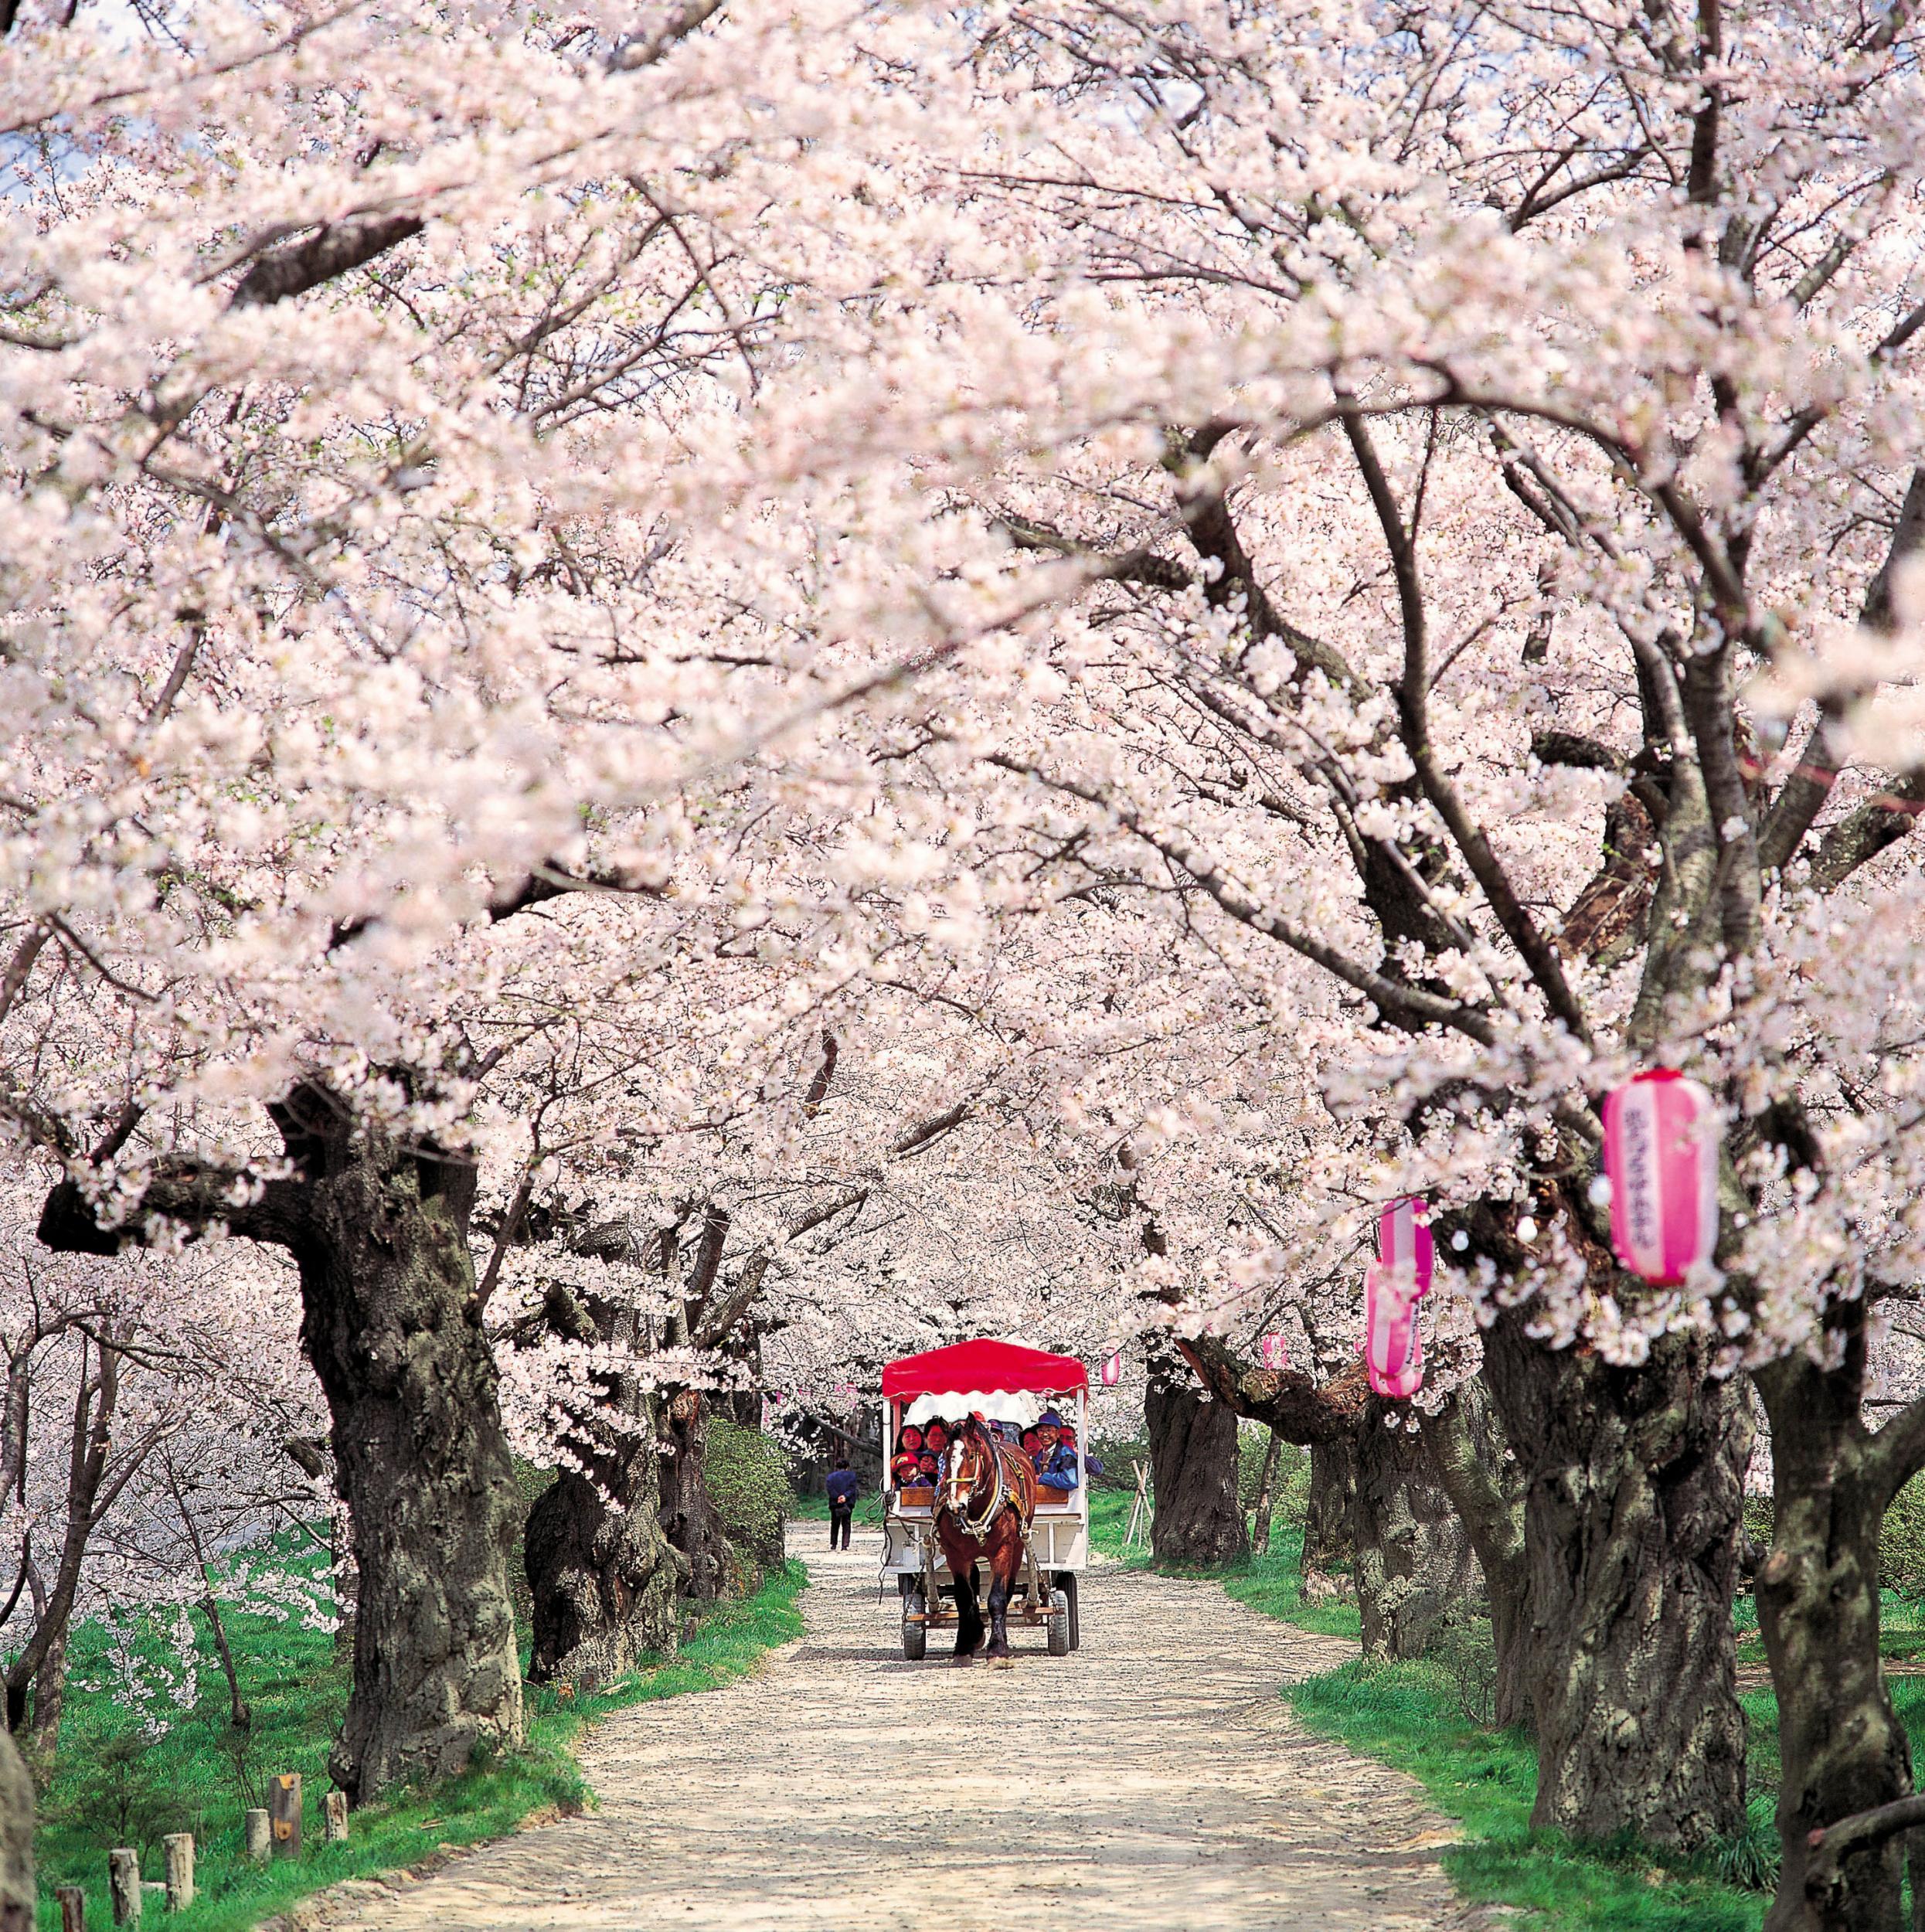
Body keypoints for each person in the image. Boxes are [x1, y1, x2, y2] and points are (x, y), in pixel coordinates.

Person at [825, 1454, 858, 1549]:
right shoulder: (852, 1476)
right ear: (847, 1467)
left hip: (835, 1503)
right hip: (848, 1503)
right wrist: (845, 1497)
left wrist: (837, 1497)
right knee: (846, 1523)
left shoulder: (831, 1477)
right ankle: (845, 1545)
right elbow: (852, 1489)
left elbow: (830, 1489)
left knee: (835, 1523)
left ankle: (833, 1544)